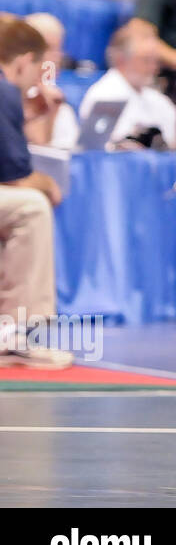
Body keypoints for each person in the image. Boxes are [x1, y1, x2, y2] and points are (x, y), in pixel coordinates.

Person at [0, 19, 69, 369]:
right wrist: (48, 185)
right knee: (31, 207)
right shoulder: (3, 89)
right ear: (24, 61)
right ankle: (17, 335)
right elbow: (16, 177)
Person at [79, 22, 176, 148]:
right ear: (121, 59)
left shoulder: (160, 101)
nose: (153, 68)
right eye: (146, 60)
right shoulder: (103, 95)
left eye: (155, 61)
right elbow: (96, 149)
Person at [21, 12, 78, 151]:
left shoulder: (60, 102)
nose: (57, 57)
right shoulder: (13, 99)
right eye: (49, 48)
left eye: (59, 48)